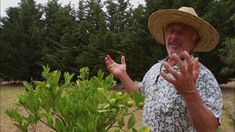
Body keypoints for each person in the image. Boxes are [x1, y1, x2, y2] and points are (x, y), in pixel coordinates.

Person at [104, 7, 223, 132]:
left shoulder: (203, 75)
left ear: (195, 39)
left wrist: (189, 92)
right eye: (170, 30)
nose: (173, 36)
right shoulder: (155, 69)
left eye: (181, 32)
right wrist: (123, 75)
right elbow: (139, 96)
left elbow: (209, 128)